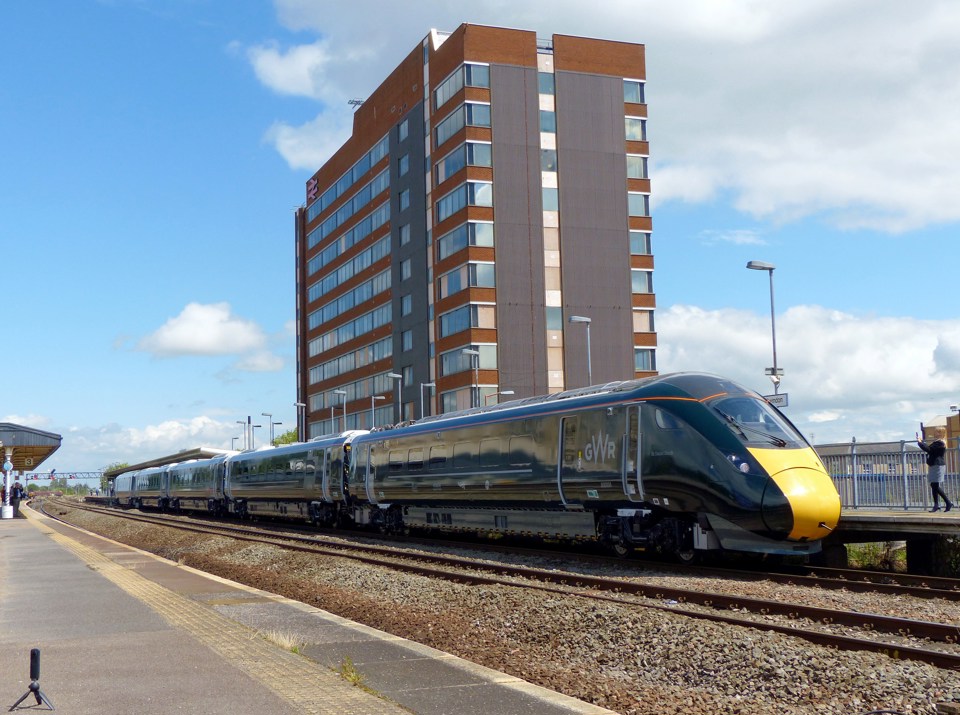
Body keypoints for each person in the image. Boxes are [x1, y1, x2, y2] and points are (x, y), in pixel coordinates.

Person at [917, 427, 953, 512]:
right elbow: (929, 449)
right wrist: (921, 442)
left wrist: (919, 442)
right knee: (933, 485)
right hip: (934, 465)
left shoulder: (940, 442)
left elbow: (928, 449)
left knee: (934, 485)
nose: (935, 433)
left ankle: (945, 503)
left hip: (938, 465)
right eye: (935, 431)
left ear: (941, 433)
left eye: (937, 432)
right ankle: (940, 504)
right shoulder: (937, 442)